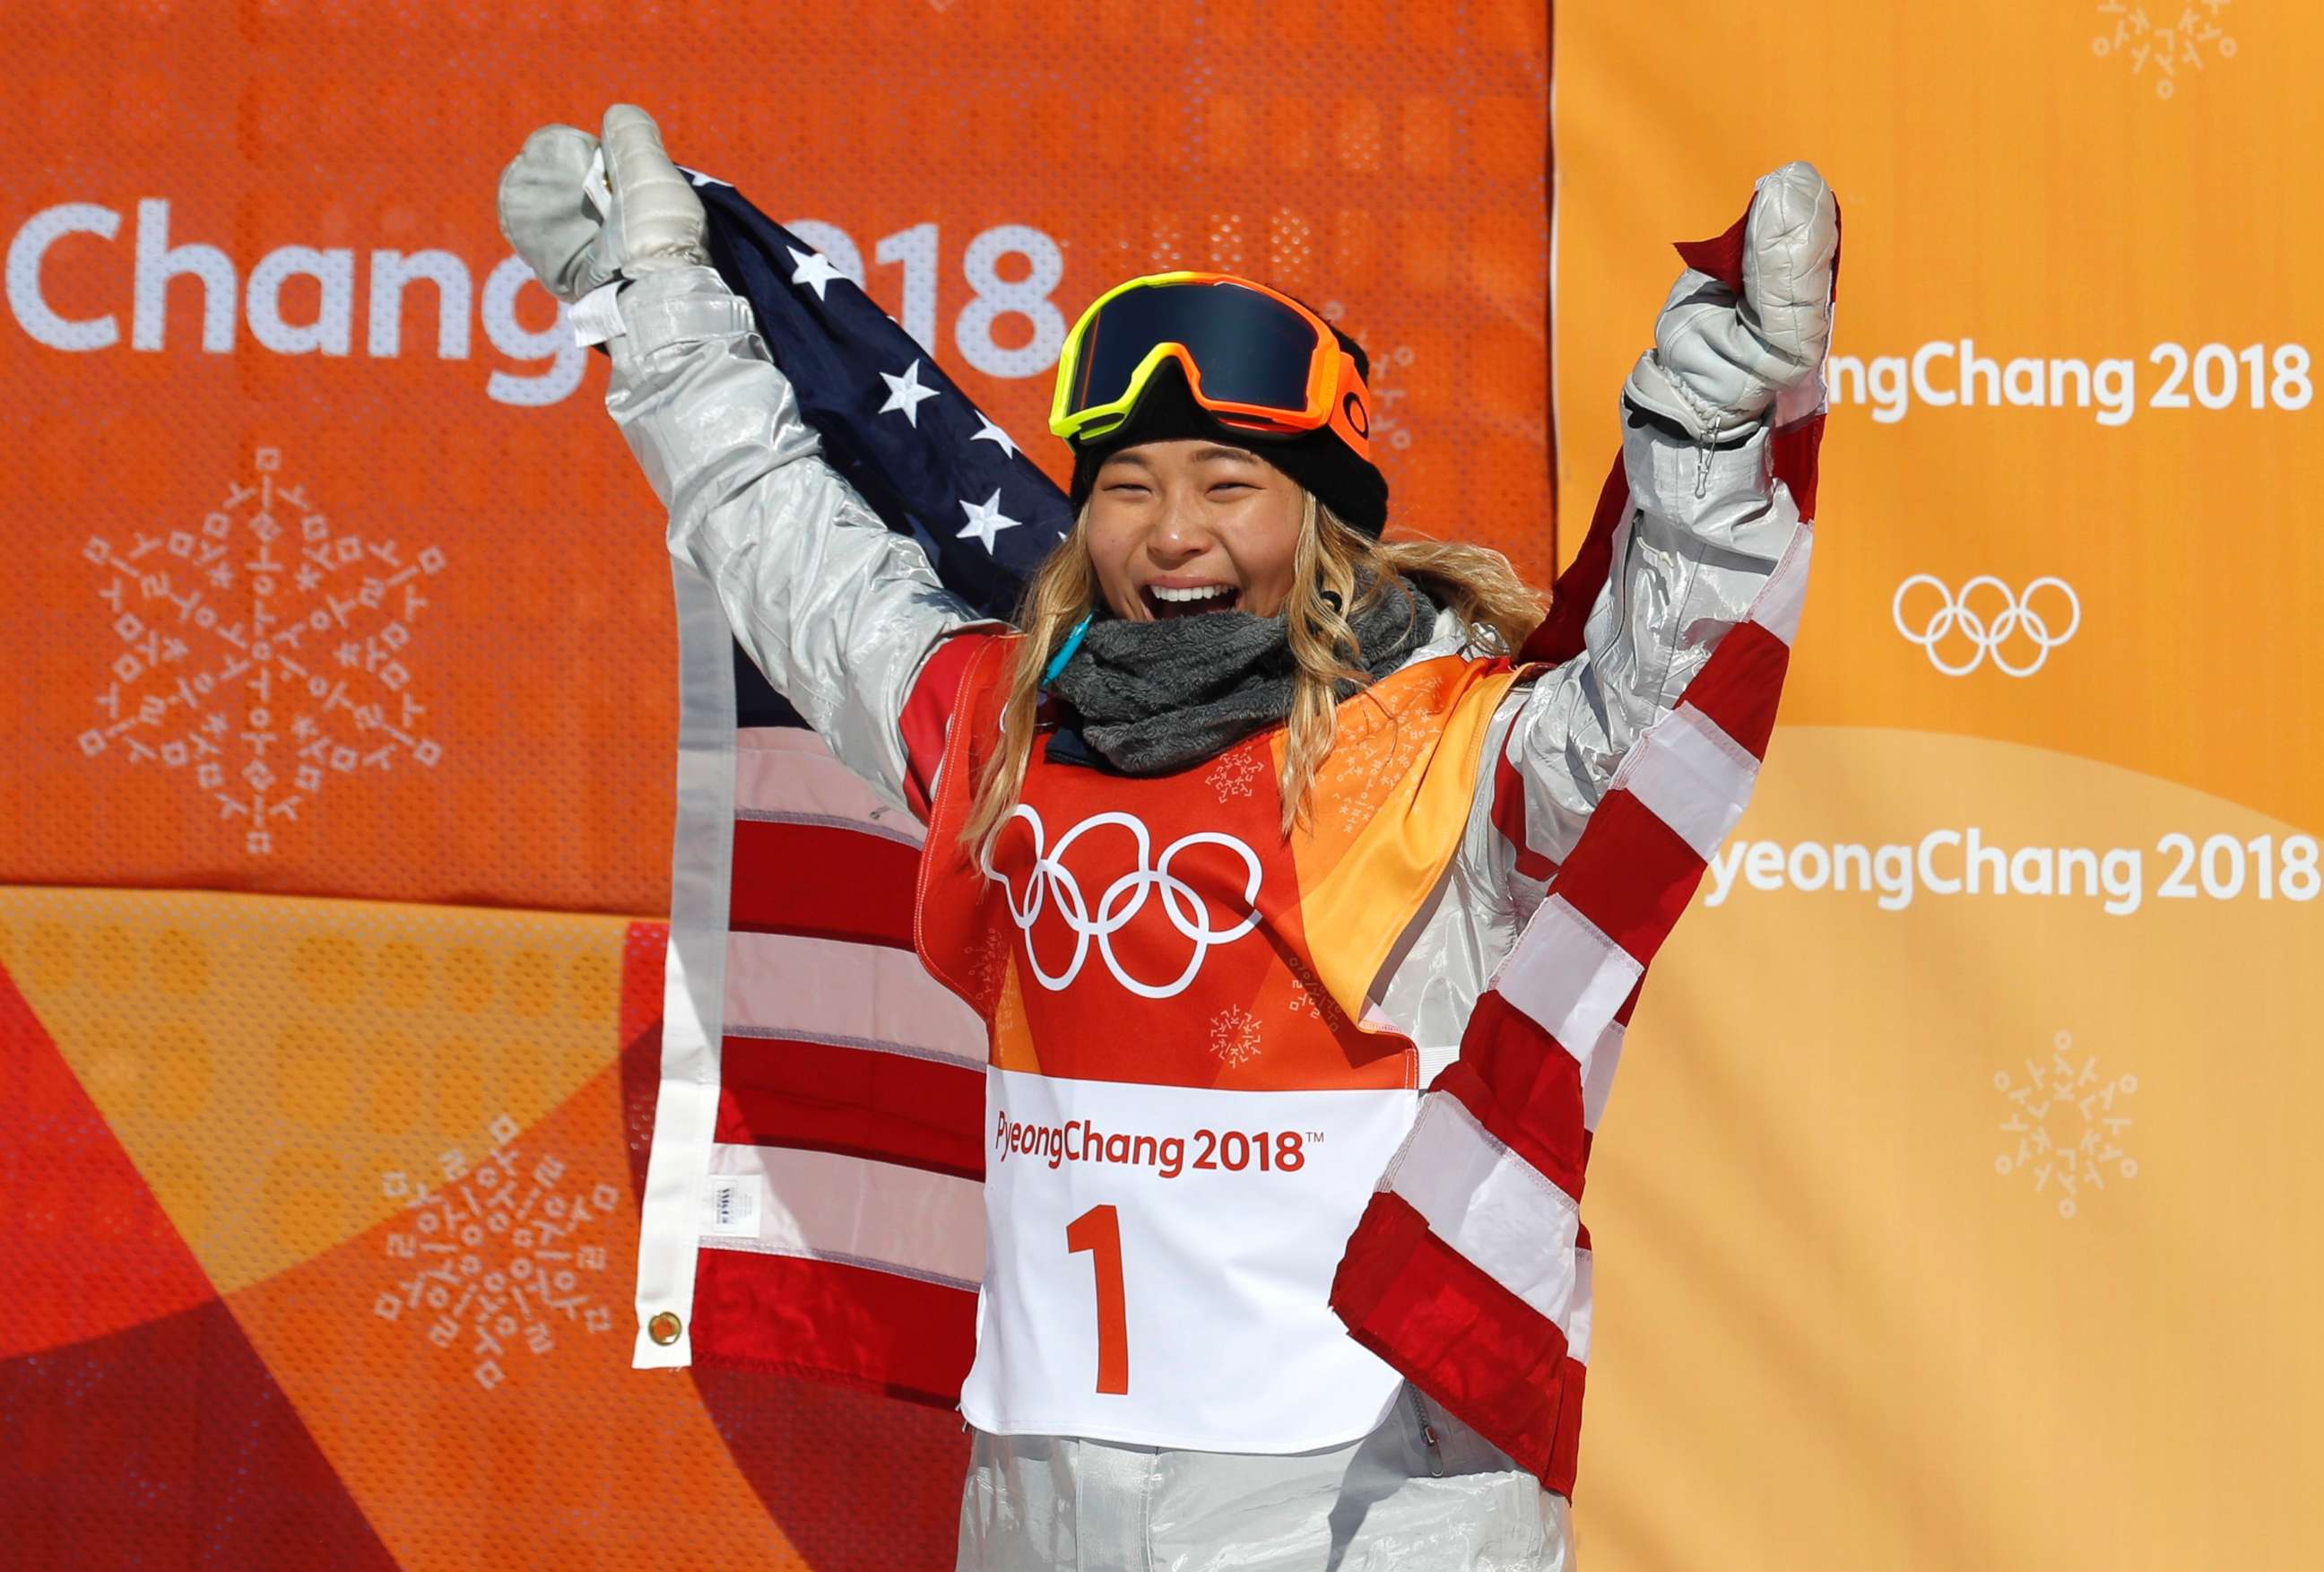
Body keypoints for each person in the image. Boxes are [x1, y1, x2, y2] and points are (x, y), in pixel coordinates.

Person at [500, 106, 1836, 1572]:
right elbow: (782, 542)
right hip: (1044, 1496)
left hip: (1363, 1504)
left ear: (1325, 519)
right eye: (1129, 485)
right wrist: (653, 311)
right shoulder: (1001, 729)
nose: (1173, 529)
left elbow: (1658, 708)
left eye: (1228, 483)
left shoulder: (1444, 748)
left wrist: (1705, 439)